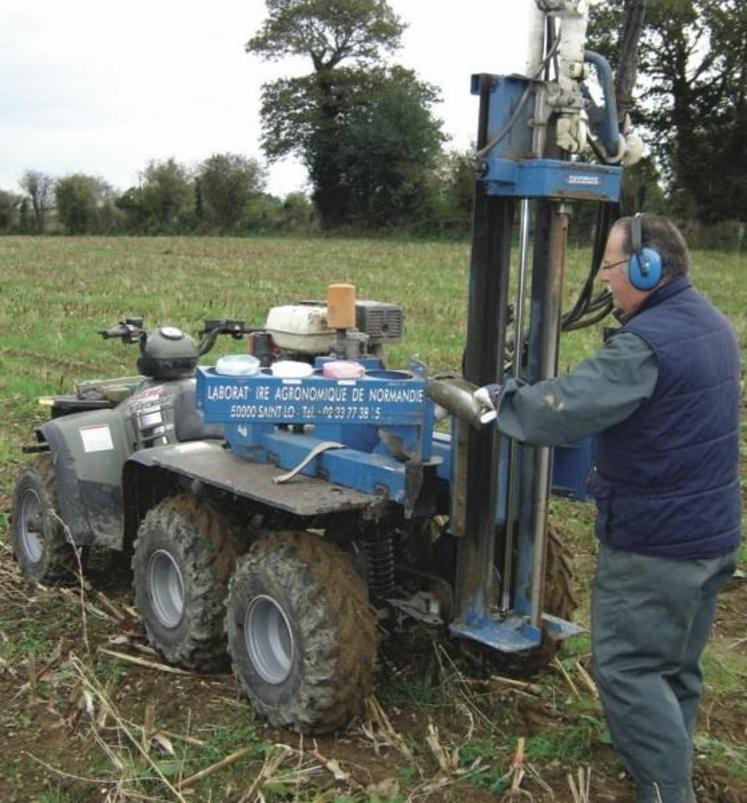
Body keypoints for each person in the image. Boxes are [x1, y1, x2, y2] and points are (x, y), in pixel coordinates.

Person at [475, 213, 741, 803]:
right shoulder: (711, 324)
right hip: (710, 536)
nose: (606, 283)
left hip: (655, 546)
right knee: (675, 669)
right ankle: (668, 767)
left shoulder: (645, 345)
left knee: (630, 671)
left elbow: (562, 408)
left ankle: (667, 791)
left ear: (648, 268)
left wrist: (502, 402)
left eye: (613, 268)